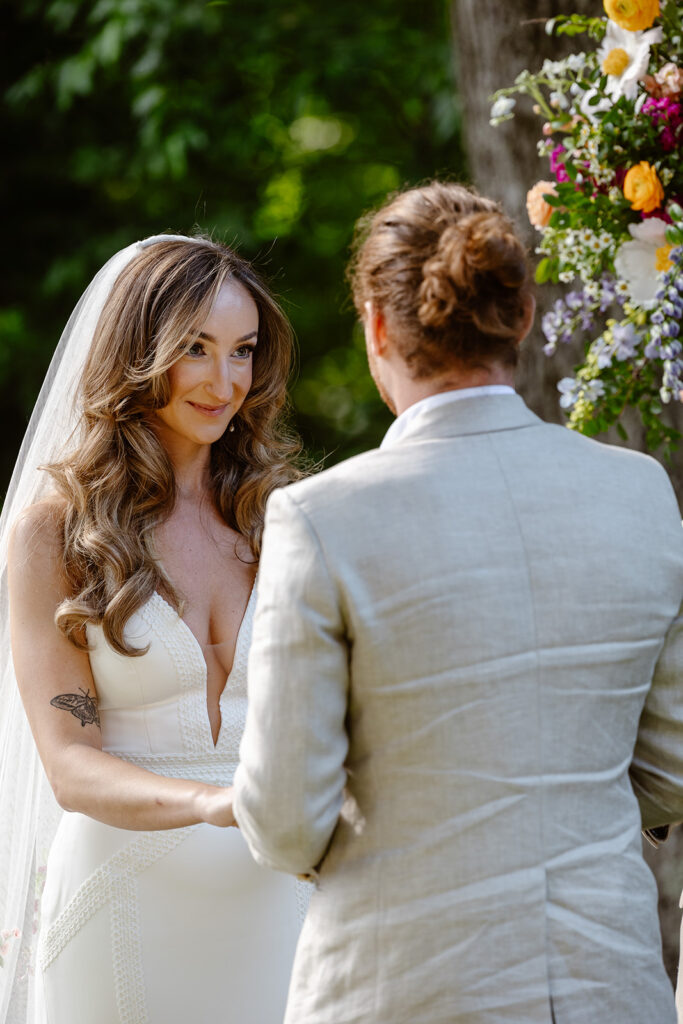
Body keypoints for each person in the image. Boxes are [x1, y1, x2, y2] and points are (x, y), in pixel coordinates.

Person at [233, 180, 683, 1023]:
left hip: (404, 984)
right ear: (519, 317)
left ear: (375, 325)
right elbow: (671, 769)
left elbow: (288, 822)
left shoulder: (324, 518)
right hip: (607, 984)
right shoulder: (638, 492)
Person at [0, 234, 308, 1023]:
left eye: (242, 352)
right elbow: (70, 766)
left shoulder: (284, 521)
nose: (224, 380)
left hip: (274, 896)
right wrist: (210, 803)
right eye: (196, 350)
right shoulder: (56, 535)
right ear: (141, 352)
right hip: (121, 893)